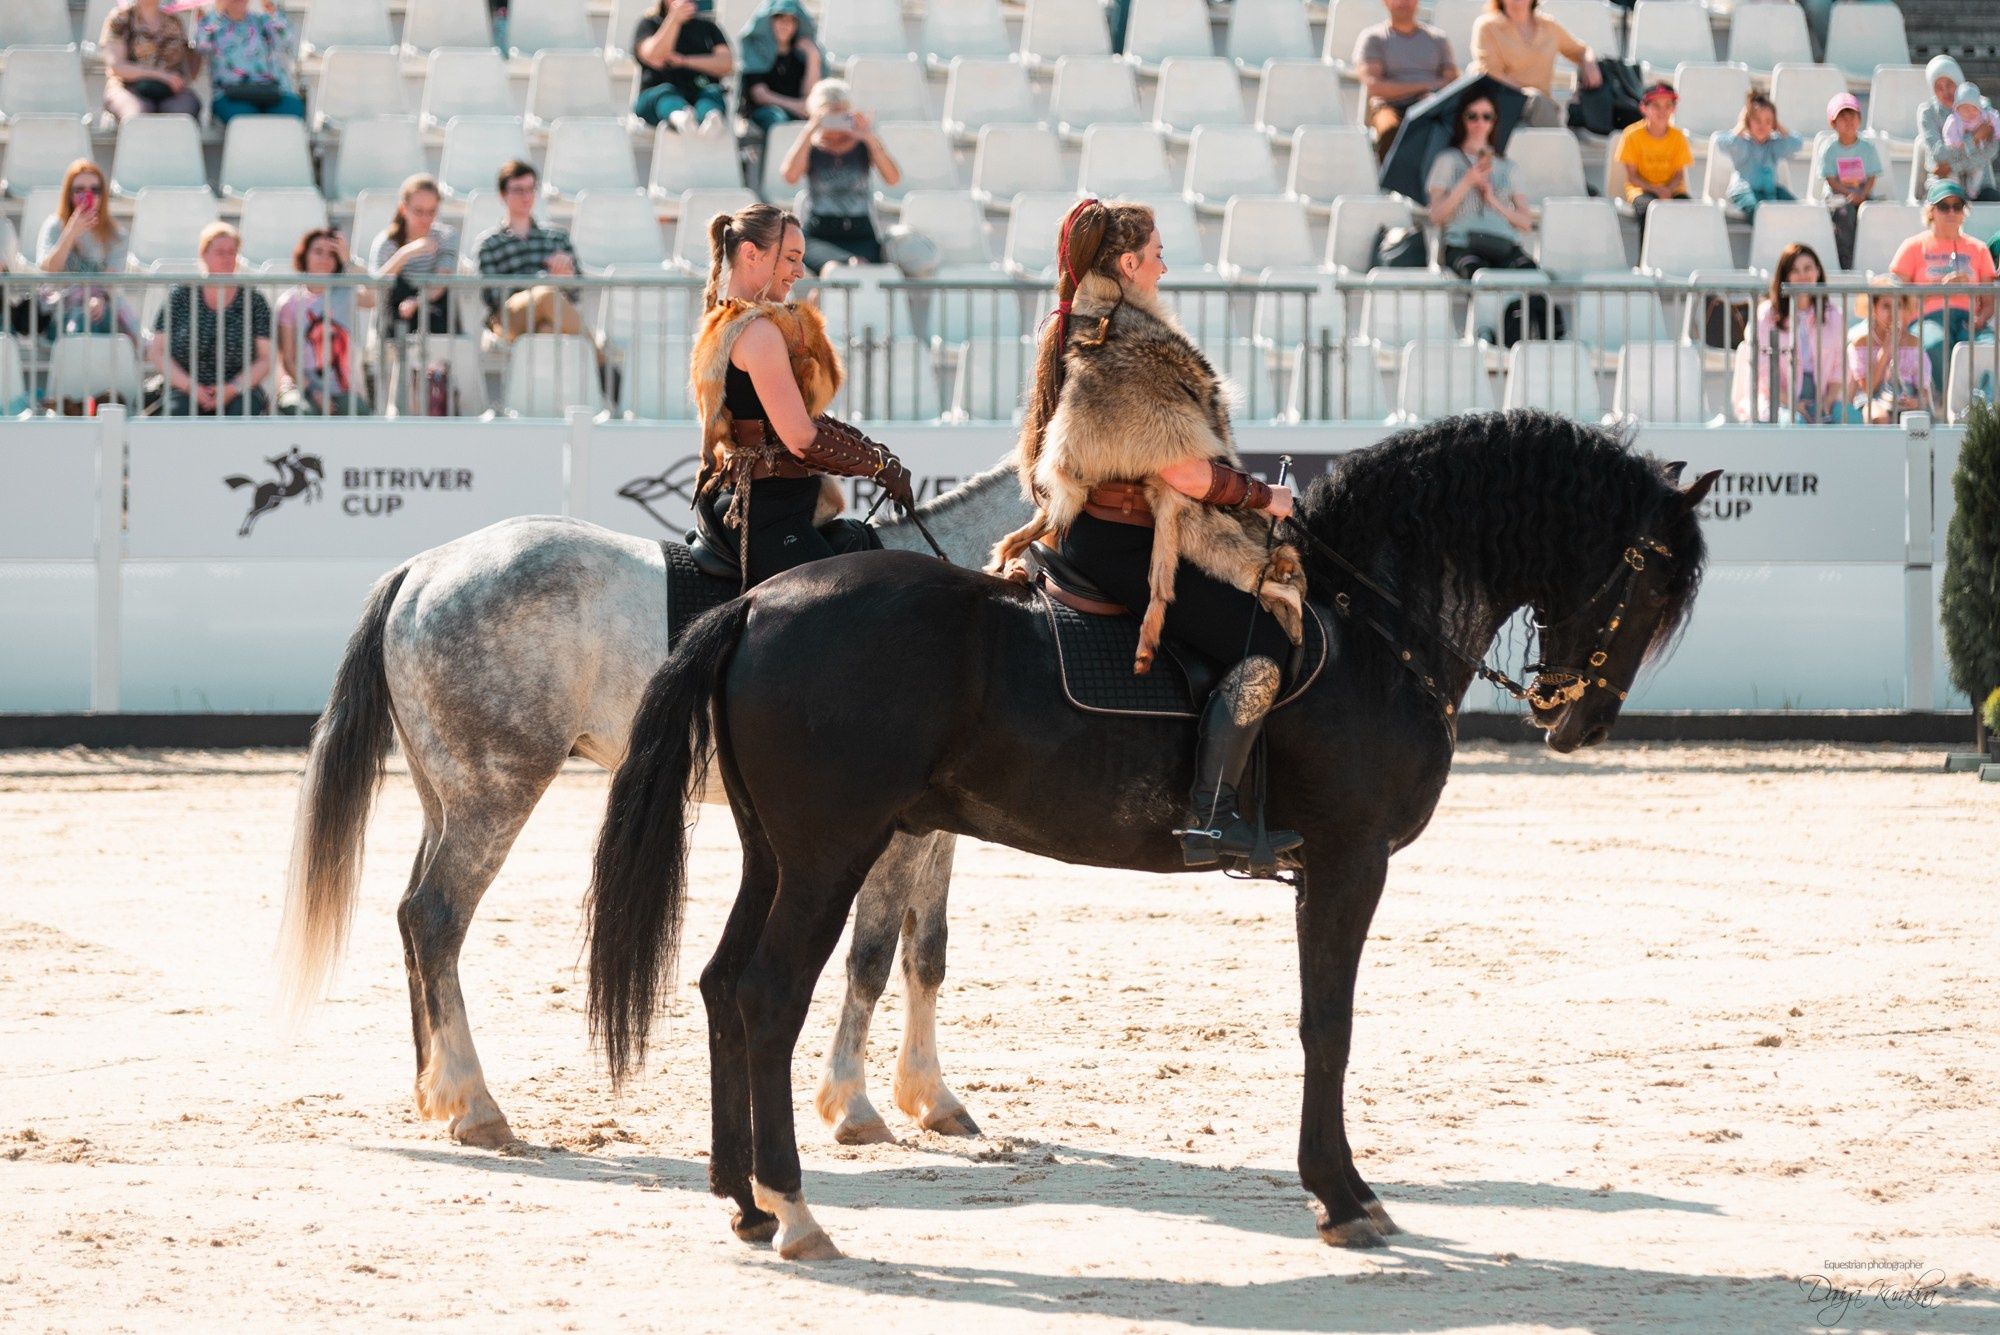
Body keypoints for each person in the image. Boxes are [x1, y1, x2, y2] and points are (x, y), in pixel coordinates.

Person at [987, 200, 1307, 874]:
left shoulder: (1102, 326)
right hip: (1123, 545)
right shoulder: (1127, 343)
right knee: (1264, 640)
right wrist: (1264, 496)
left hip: (1104, 534)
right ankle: (1213, 815)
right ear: (1128, 265)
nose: (1165, 262)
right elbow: (1184, 470)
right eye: (1157, 252)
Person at [689, 201, 919, 588]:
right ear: (751, 254)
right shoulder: (757, 332)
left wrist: (876, 456)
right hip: (768, 514)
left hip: (778, 505)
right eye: (792, 258)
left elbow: (798, 419)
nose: (799, 271)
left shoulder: (729, 319)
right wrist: (876, 466)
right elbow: (799, 437)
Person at [149, 222, 273, 417]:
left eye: (232, 252)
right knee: (177, 413)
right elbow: (157, 351)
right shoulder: (180, 296)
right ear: (203, 253)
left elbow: (266, 358)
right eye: (220, 252)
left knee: (242, 413)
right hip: (183, 389)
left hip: (241, 391)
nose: (227, 258)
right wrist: (191, 387)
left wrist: (232, 388)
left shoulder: (254, 300)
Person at [780, 80, 903, 275]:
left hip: (861, 233)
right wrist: (809, 131)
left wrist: (869, 137)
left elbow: (893, 178)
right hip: (819, 234)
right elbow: (789, 176)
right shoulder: (811, 147)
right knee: (835, 269)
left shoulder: (863, 144)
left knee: (861, 270)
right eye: (830, 115)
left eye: (841, 114)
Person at [1889, 180, 1997, 395]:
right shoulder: (1913, 246)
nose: (1951, 212)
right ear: (1931, 211)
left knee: (1989, 346)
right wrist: (1940, 287)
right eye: (1943, 206)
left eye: (1957, 206)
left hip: (1968, 318)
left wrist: (1981, 319)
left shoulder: (1979, 248)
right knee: (1933, 345)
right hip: (1927, 318)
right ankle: (1946, 402)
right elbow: (1897, 294)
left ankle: (1979, 408)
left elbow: (1988, 301)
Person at [1734, 243, 1849, 423]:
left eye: (1808, 268)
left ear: (1818, 271)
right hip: (1778, 398)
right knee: (1796, 423)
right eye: (1795, 270)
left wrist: (1827, 402)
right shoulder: (1766, 315)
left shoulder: (1834, 314)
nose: (1803, 275)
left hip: (1822, 397)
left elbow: (1839, 366)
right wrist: (1793, 403)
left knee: (1852, 417)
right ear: (1785, 276)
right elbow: (1764, 374)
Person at [474, 160, 586, 340]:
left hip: (550, 317)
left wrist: (566, 278)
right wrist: (543, 281)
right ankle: (602, 364)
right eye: (518, 190)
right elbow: (492, 296)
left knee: (547, 330)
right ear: (503, 194)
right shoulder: (489, 243)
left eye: (530, 189)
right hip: (508, 320)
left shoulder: (557, 237)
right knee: (546, 294)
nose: (526, 196)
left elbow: (578, 291)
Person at [1426, 94, 1536, 277]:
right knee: (1476, 274)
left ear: (1494, 121)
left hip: (1504, 244)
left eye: (1487, 117)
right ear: (1462, 119)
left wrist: (1494, 201)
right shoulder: (1447, 160)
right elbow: (1436, 216)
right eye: (1472, 116)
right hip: (1463, 244)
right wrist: (1466, 183)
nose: (1480, 123)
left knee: (1530, 276)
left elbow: (1525, 223)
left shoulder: (1508, 166)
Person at [276, 227, 374, 416]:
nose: (324, 259)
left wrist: (349, 261)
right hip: (299, 388)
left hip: (341, 390)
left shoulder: (345, 293)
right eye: (318, 252)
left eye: (331, 254)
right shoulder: (289, 302)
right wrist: (315, 392)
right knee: (303, 413)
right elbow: (287, 360)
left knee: (359, 411)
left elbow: (372, 298)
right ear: (305, 255)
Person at [35, 159, 135, 339]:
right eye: (79, 190)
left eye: (94, 190)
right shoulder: (54, 226)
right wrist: (70, 233)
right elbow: (49, 269)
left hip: (101, 310)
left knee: (91, 319)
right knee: (81, 321)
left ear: (103, 194)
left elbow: (109, 282)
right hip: (58, 312)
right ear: (68, 194)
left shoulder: (116, 235)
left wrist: (99, 300)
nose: (87, 195)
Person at [1467, 0, 1599, 130]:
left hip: (1541, 109)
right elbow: (1491, 72)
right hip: (1504, 105)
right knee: (1538, 105)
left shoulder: (1549, 26)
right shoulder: (1487, 26)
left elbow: (1581, 50)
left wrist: (1589, 64)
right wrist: (1529, 97)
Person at [1355, 0, 1458, 164]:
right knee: (1389, 130)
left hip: (1429, 105)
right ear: (1386, 2)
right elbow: (1375, 86)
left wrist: (1425, 92)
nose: (1404, 3)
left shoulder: (1438, 39)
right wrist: (1427, 85)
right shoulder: (1373, 38)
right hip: (1388, 107)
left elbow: (1451, 81)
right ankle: (1389, 185)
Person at [191, 0, 305, 123]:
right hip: (230, 94)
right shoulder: (211, 24)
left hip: (269, 90)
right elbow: (200, 46)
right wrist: (216, 12)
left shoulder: (261, 21)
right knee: (244, 119)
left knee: (290, 110)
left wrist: (272, 10)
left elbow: (286, 39)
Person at [633, 0, 733, 133]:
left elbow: (726, 63)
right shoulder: (649, 23)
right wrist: (674, 20)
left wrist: (685, 61)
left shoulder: (708, 27)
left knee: (712, 93)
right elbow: (654, 56)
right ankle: (680, 118)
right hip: (657, 94)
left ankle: (710, 118)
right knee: (665, 94)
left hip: (699, 90)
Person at [1848, 278, 1932, 424]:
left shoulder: (1914, 343)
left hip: (1903, 399)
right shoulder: (1861, 343)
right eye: (1886, 306)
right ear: (1874, 309)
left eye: (1898, 306)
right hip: (1872, 400)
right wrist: (1886, 348)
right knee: (1879, 417)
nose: (1893, 312)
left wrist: (1915, 402)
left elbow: (1923, 393)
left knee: (1914, 421)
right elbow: (1868, 389)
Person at [100, 0, 201, 121]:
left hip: (170, 90)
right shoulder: (120, 19)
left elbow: (191, 73)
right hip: (126, 88)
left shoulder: (174, 22)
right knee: (137, 116)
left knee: (183, 115)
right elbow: (118, 67)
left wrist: (201, 32)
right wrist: (162, 76)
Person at [1614, 83, 1692, 237]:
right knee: (1649, 211)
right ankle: (1645, 258)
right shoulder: (1631, 135)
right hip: (1642, 191)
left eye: (1668, 105)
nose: (1662, 111)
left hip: (1672, 190)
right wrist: (1656, 190)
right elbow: (1633, 177)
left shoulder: (1678, 136)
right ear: (1644, 108)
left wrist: (1668, 190)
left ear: (1673, 109)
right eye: (1656, 105)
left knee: (1688, 210)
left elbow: (1679, 175)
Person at [737, 0, 820, 138]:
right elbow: (760, 95)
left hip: (797, 110)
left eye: (791, 20)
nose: (785, 25)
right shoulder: (756, 51)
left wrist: (813, 56)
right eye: (780, 19)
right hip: (765, 111)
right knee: (779, 121)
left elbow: (808, 94)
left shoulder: (800, 55)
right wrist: (795, 106)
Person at [1715, 89, 1801, 220]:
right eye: (1757, 120)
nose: (1763, 125)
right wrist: (1741, 125)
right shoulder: (1742, 144)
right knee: (1760, 211)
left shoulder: (1773, 145)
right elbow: (1722, 143)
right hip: (1744, 191)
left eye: (1768, 121)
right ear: (1748, 121)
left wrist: (1778, 126)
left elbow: (1797, 143)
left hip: (1770, 190)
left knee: (1796, 208)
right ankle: (1765, 237)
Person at [1817, 93, 1880, 272]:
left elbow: (1872, 176)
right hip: (1838, 195)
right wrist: (1849, 194)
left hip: (1862, 194)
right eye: (1842, 117)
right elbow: (1830, 180)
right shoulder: (1829, 148)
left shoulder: (1867, 148)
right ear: (1833, 123)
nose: (1848, 121)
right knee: (1844, 215)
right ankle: (1846, 262)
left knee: (1877, 215)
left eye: (1852, 115)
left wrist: (1862, 194)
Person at [1936, 81, 2000, 202]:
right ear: (1958, 109)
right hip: (1957, 159)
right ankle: (1956, 192)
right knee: (1953, 177)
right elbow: (1949, 143)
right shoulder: (1954, 121)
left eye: (1974, 109)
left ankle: (1972, 191)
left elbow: (1991, 150)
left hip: (1977, 162)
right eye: (1965, 109)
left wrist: (1996, 133)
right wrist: (1972, 139)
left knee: (1977, 173)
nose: (1970, 113)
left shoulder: (1985, 118)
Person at [1918, 54, 1965, 186]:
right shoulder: (1927, 112)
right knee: (1948, 203)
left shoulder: (1981, 106)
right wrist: (1974, 140)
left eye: (1950, 84)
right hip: (1941, 181)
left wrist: (1949, 166)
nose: (1946, 92)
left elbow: (1990, 150)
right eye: (1938, 88)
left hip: (1978, 183)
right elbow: (1939, 154)